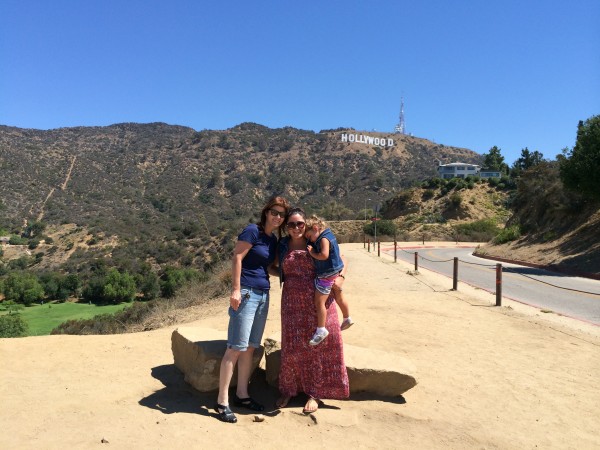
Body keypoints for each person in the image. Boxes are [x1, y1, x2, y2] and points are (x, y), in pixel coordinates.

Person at [214, 196, 290, 424]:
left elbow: (268, 268)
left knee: (249, 348)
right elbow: (237, 257)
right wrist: (235, 290)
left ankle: (242, 395)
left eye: (282, 214)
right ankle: (222, 402)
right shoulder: (252, 231)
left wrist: (290, 274)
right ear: (266, 212)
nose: (277, 217)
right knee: (235, 348)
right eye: (274, 212)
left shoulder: (272, 240)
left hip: (263, 294)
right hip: (246, 293)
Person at [275, 207, 349, 414]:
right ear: (286, 227)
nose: (296, 228)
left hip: (320, 297)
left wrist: (340, 278)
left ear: (306, 224)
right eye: (291, 224)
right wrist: (282, 275)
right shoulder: (282, 245)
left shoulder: (315, 240)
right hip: (291, 302)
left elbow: (342, 260)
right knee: (292, 346)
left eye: (299, 223)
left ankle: (315, 393)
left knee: (322, 346)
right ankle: (289, 389)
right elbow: (273, 266)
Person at [304, 214, 353, 346]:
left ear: (315, 228)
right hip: (336, 272)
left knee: (319, 302)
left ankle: (321, 329)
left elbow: (324, 255)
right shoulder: (330, 234)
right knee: (339, 296)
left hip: (327, 275)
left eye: (309, 236)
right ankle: (347, 317)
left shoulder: (323, 239)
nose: (310, 240)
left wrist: (312, 253)